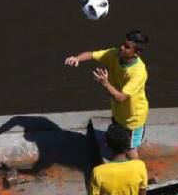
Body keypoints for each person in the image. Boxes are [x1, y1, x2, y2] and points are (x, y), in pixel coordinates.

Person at [64, 30, 150, 159]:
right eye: (122, 43)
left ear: (137, 52)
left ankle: (139, 175)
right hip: (118, 113)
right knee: (118, 143)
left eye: (127, 47)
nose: (121, 47)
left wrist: (105, 83)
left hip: (132, 118)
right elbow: (92, 55)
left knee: (130, 149)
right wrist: (77, 58)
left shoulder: (138, 72)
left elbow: (121, 97)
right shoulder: (114, 54)